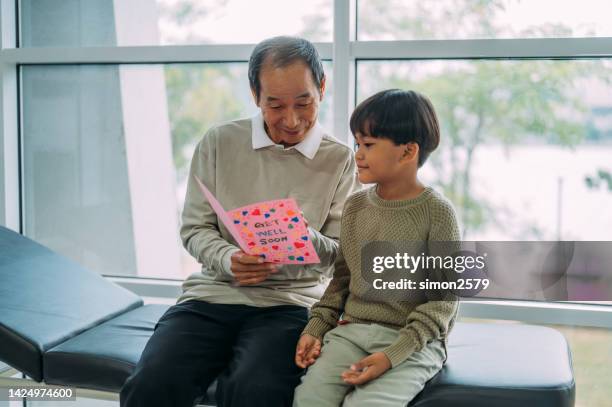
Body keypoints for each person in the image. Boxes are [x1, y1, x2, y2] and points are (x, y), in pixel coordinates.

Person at [120, 36, 359, 407]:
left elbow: (343, 256)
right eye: (275, 105)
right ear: (254, 95)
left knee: (256, 391)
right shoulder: (219, 142)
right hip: (211, 295)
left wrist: (299, 240)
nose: (291, 119)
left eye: (303, 102)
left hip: (291, 304)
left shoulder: (340, 160)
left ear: (322, 88)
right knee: (150, 385)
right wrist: (229, 259)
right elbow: (194, 228)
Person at [293, 89, 461, 406]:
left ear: (407, 152)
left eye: (368, 145)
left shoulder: (438, 213)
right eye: (357, 143)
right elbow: (341, 281)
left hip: (413, 343)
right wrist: (316, 328)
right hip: (352, 333)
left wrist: (390, 356)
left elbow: (443, 302)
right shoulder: (356, 206)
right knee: (308, 399)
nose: (357, 154)